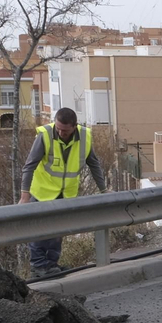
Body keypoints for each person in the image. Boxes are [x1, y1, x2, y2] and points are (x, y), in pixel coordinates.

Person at [19, 107, 107, 279]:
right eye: (58, 128)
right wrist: (25, 196)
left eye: (65, 130)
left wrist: (104, 189)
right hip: (43, 192)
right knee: (39, 231)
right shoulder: (44, 135)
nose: (60, 132)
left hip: (66, 193)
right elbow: (29, 166)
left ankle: (51, 265)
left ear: (74, 126)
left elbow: (94, 164)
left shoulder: (84, 137)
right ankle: (38, 266)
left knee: (57, 232)